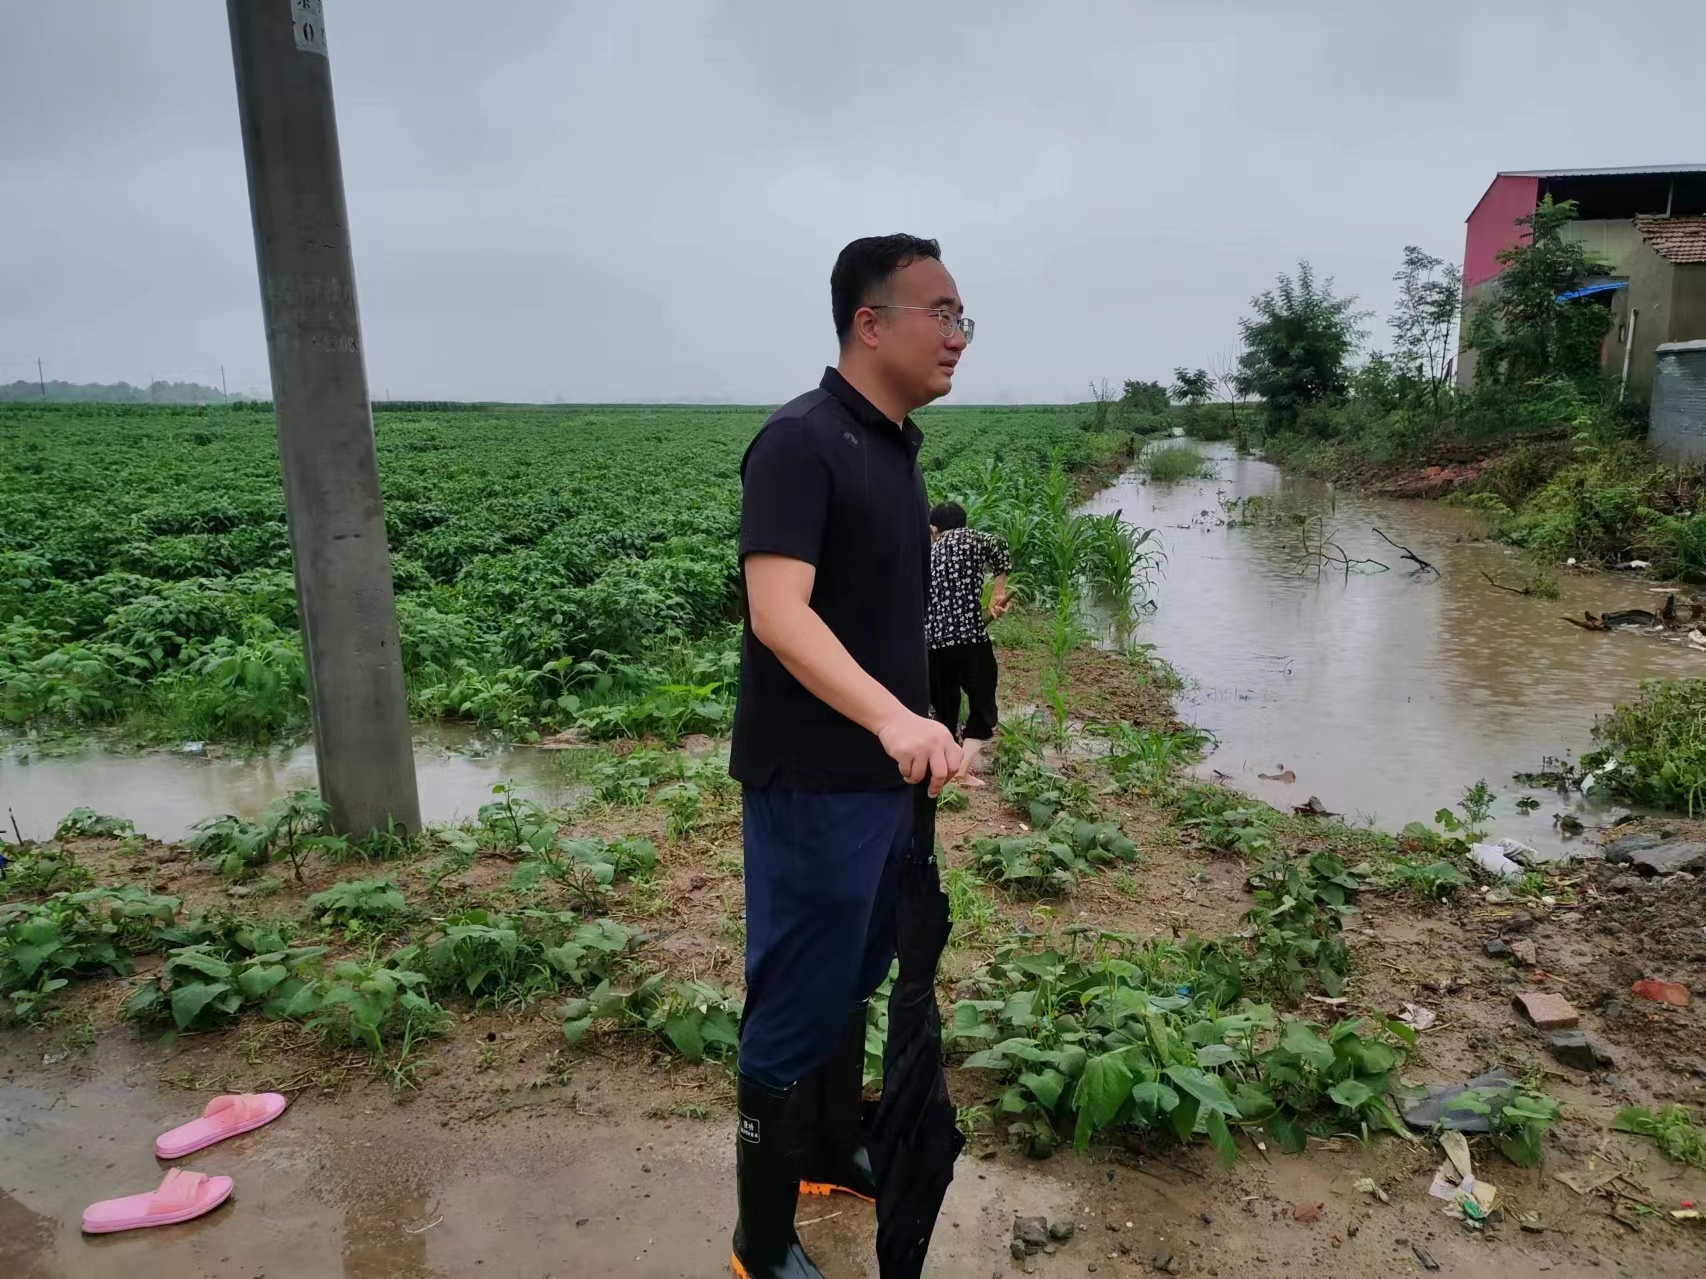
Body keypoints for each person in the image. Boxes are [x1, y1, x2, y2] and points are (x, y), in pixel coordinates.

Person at [726, 234, 974, 1279]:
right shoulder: (801, 442)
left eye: (963, 317)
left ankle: (830, 1147)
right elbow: (778, 613)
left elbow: (877, 616)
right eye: (940, 313)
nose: (958, 335)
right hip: (812, 781)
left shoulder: (895, 450)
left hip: (880, 779)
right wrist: (890, 719)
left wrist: (929, 722)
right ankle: (759, 1240)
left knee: (854, 974)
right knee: (795, 996)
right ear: (870, 324)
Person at [925, 501, 1012, 785]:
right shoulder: (970, 539)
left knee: (945, 709)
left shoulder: (927, 553)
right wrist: (998, 592)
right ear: (963, 522)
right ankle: (961, 771)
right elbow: (999, 545)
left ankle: (944, 770)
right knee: (983, 703)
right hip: (969, 640)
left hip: (934, 644)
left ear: (933, 529)